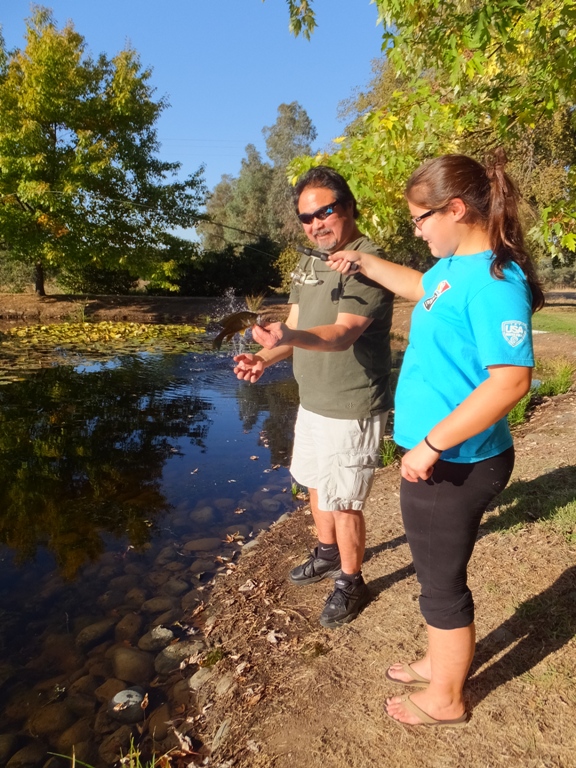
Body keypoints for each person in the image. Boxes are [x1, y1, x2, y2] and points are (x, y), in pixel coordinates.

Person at [328, 151, 543, 725]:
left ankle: (446, 699)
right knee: (433, 571)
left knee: (440, 582)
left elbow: (511, 382)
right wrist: (365, 262)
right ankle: (440, 662)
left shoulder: (494, 282)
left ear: (454, 209)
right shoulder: (453, 269)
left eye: (420, 219)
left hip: (455, 463)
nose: (416, 229)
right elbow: (422, 287)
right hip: (444, 458)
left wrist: (430, 444)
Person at [233, 166, 394, 629]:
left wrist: (292, 334)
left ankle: (351, 581)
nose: (316, 224)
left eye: (325, 211)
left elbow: (342, 334)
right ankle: (326, 553)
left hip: (351, 404)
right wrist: (265, 358)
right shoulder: (307, 263)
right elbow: (296, 326)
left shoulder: (368, 263)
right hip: (313, 400)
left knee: (344, 500)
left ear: (348, 207)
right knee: (314, 483)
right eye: (307, 217)